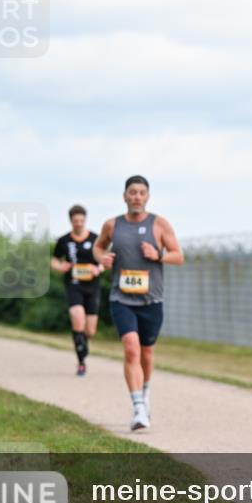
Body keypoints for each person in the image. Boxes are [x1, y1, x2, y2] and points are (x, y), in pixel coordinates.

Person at [94, 176, 183, 431]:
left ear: (147, 196)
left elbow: (179, 256)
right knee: (131, 349)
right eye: (132, 192)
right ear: (124, 196)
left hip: (151, 299)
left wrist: (159, 255)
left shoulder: (160, 224)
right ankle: (138, 409)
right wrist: (103, 258)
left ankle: (145, 392)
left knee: (146, 352)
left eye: (141, 193)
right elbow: (98, 248)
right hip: (121, 298)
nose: (137, 197)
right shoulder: (112, 225)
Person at [52, 205, 104, 376]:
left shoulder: (96, 239)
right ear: (71, 221)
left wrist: (99, 268)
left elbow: (106, 259)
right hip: (74, 285)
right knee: (77, 316)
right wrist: (61, 266)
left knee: (90, 331)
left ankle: (82, 342)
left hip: (92, 287)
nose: (78, 224)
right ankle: (81, 361)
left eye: (81, 221)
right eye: (75, 221)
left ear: (85, 220)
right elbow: (54, 260)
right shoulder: (64, 241)